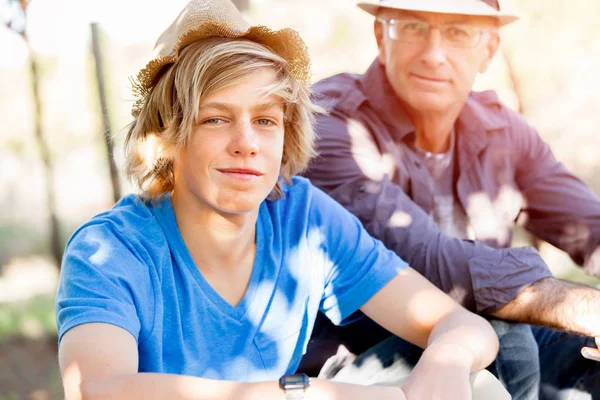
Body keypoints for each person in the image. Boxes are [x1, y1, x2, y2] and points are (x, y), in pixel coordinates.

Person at [54, 0, 506, 399]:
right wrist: (303, 395)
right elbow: (97, 389)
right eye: (215, 119)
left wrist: (444, 362)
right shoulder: (110, 249)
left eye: (266, 121)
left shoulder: (301, 216)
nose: (246, 143)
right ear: (167, 136)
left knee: (477, 385)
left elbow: (466, 327)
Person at [302, 0, 600, 398]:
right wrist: (583, 306)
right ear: (380, 35)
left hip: (485, 354)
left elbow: (588, 226)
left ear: (489, 50)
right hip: (356, 363)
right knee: (498, 328)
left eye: (458, 32)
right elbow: (431, 262)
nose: (433, 54)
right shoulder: (331, 124)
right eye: (412, 28)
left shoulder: (502, 131)